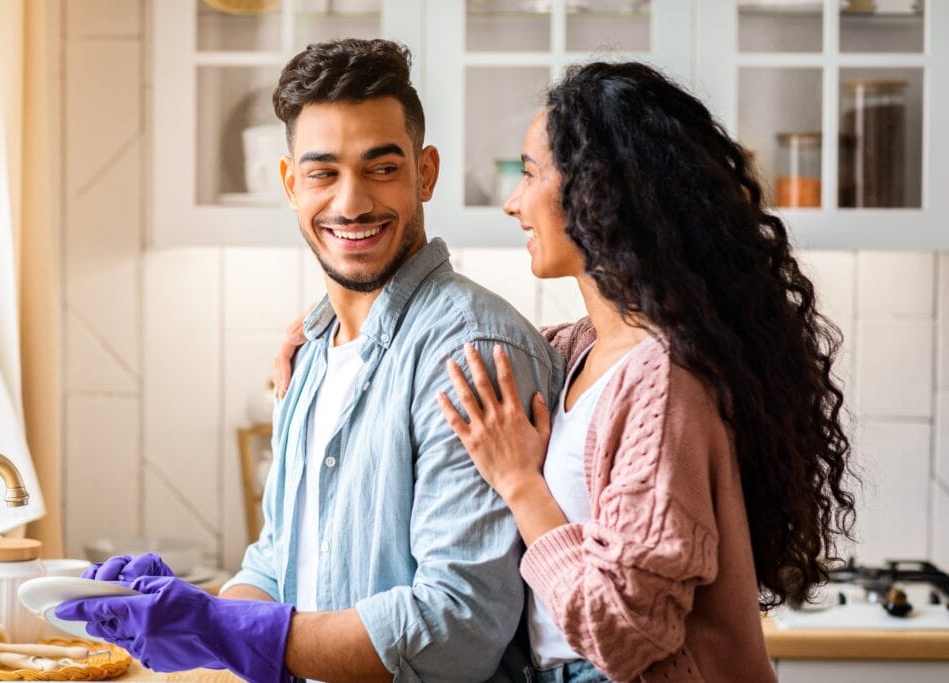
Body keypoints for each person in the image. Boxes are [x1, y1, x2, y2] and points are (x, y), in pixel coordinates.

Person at [271, 61, 857, 682]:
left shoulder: (665, 381)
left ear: (599, 191)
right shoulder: (584, 351)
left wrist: (521, 483)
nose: (513, 202)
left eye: (529, 175)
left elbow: (625, 631)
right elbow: (448, 336)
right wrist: (325, 332)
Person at [54, 39, 563, 683]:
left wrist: (224, 629)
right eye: (323, 172)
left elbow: (454, 631)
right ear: (291, 183)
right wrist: (201, 620)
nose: (351, 203)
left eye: (381, 168)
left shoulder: (467, 354)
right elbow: (275, 566)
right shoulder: (310, 355)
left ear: (425, 173)